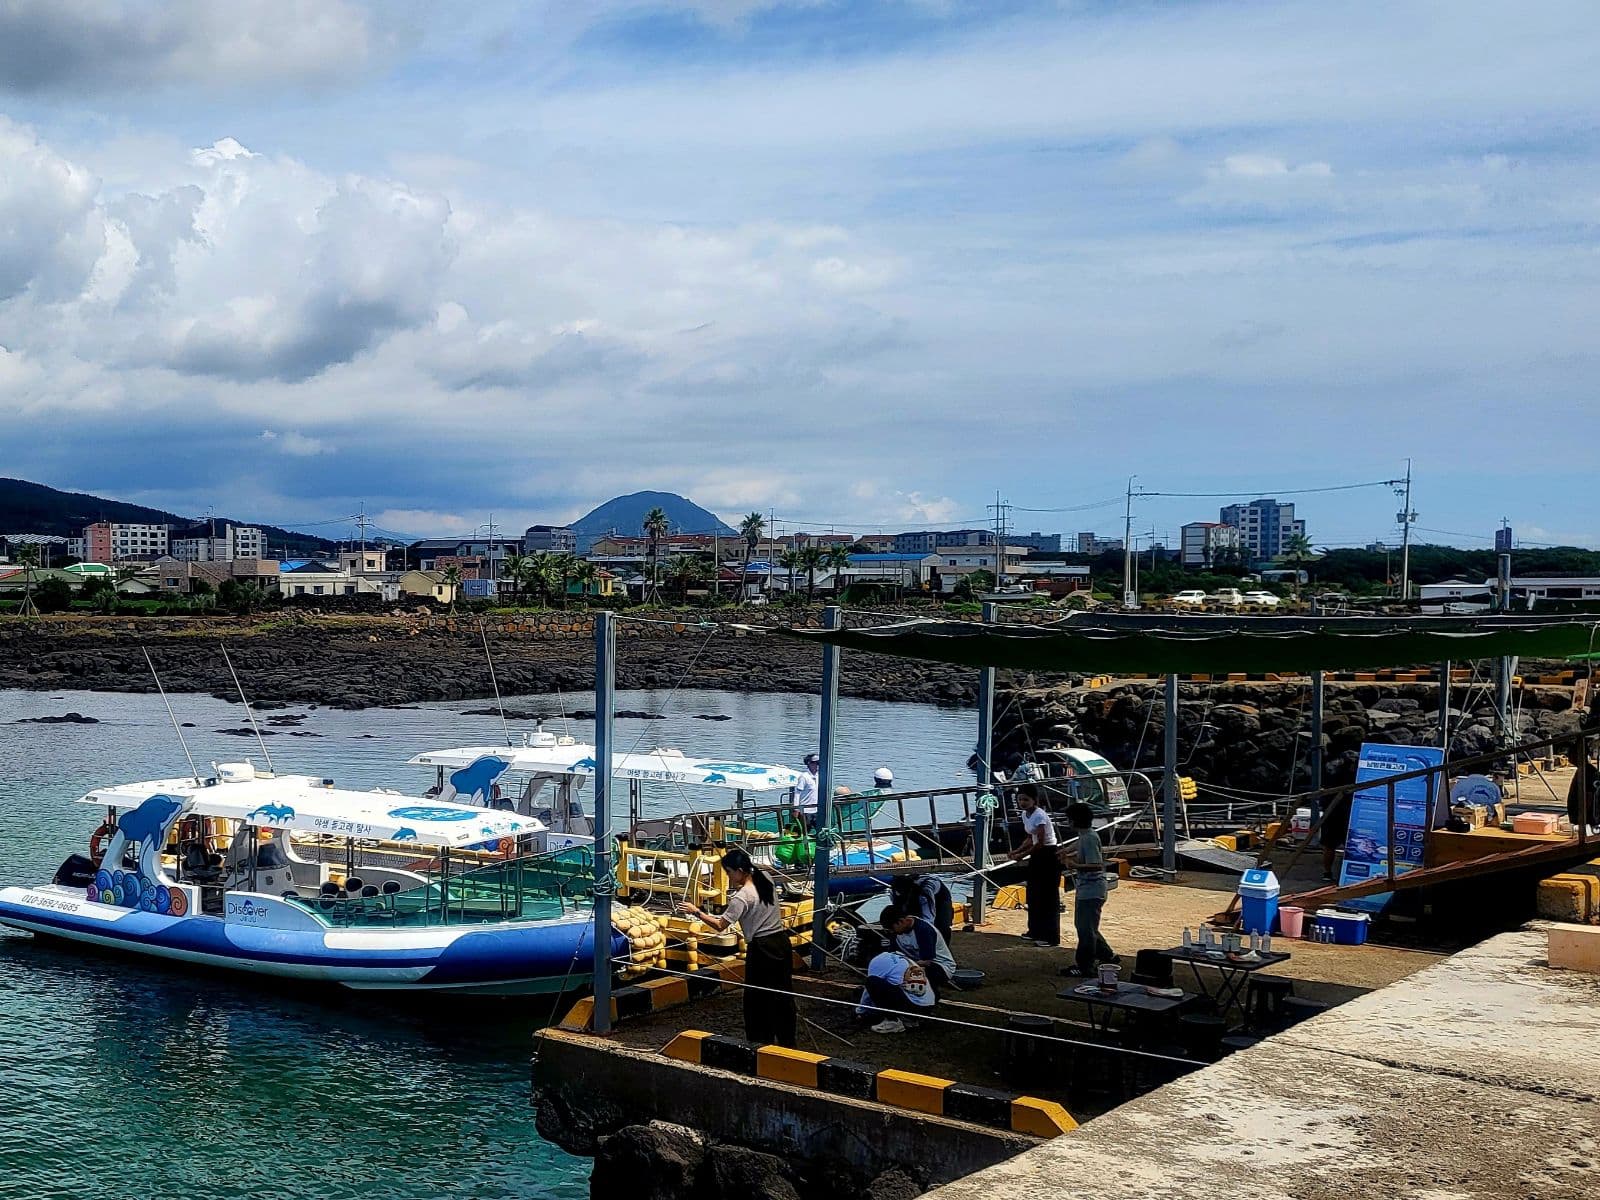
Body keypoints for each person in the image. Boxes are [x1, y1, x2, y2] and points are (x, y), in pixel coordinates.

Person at [678, 847, 796, 1047]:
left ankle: (760, 1040)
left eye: (729, 872)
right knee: (782, 992)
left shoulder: (742, 897)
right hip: (781, 942)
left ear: (739, 870)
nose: (729, 878)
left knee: (757, 997)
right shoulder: (765, 878)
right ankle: (787, 1039)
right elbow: (761, 869)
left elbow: (720, 925)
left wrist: (696, 911)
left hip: (762, 948)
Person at [1059, 801, 1115, 978]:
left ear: (1075, 821)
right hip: (1088, 889)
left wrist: (1074, 865)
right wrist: (1064, 852)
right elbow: (1076, 845)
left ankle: (1085, 966)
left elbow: (1096, 864)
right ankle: (1107, 955)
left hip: (1091, 890)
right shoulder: (1086, 835)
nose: (1068, 822)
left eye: (1069, 819)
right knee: (1088, 926)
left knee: (1085, 929)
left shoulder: (1089, 838)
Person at [1006, 784, 1060, 946]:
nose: (1022, 803)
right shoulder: (1025, 815)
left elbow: (1041, 843)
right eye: (1020, 799)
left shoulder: (1040, 816)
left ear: (1034, 800)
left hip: (1048, 854)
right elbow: (1030, 838)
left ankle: (1050, 936)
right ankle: (1034, 930)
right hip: (1037, 855)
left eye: (1026, 800)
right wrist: (1016, 851)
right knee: (1034, 893)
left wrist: (1022, 856)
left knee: (1047, 896)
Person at [856, 936, 935, 1034]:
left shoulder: (876, 961)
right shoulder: (898, 957)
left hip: (914, 1006)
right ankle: (910, 1019)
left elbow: (869, 990)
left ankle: (893, 1021)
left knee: (872, 982)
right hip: (927, 1006)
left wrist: (860, 1011)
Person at [879, 904, 957, 992]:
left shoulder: (923, 930)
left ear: (901, 921)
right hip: (913, 963)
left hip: (939, 966)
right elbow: (893, 954)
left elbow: (927, 961)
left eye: (892, 929)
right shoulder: (896, 933)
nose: (891, 932)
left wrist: (903, 967)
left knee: (917, 973)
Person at [889, 873, 956, 947]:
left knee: (943, 925)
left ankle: (942, 948)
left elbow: (928, 921)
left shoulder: (924, 893)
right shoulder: (893, 893)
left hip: (940, 896)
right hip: (914, 893)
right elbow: (898, 913)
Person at [795, 753, 820, 819]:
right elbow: (797, 793)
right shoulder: (804, 776)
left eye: (818, 763)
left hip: (817, 809)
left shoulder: (820, 776)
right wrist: (796, 809)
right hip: (806, 810)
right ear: (809, 763)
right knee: (806, 828)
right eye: (814, 762)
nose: (817, 765)